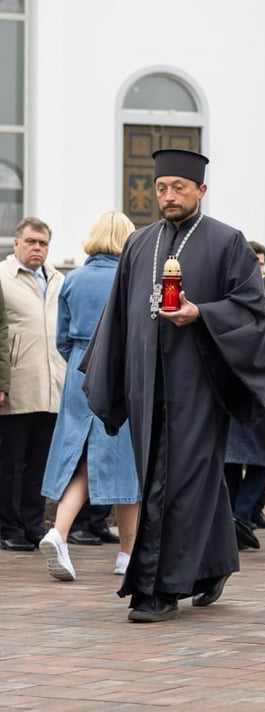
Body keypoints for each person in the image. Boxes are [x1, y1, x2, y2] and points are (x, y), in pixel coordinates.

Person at [83, 149, 265, 622]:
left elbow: (252, 309)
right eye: (162, 188)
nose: (169, 196)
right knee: (174, 476)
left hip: (199, 383)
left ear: (201, 190)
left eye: (179, 188)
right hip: (146, 384)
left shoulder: (228, 242)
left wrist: (201, 313)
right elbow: (118, 315)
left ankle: (158, 588)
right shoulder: (138, 243)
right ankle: (214, 564)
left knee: (177, 479)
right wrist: (110, 376)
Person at [38, 211, 140, 581]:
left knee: (81, 455)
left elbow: (62, 338)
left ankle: (59, 531)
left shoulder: (72, 279)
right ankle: (127, 554)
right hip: (119, 369)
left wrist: (80, 361)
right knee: (127, 461)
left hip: (79, 368)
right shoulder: (131, 278)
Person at [0, 217, 65, 552]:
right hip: (18, 382)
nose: (37, 248)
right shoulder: (2, 276)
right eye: (31, 242)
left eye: (43, 243)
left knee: (41, 462)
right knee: (10, 461)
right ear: (17, 243)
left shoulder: (56, 278)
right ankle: (8, 526)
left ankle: (32, 524)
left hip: (52, 385)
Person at [225, 240, 265, 551]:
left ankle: (239, 516)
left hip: (246, 384)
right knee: (249, 458)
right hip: (248, 383)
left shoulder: (242, 291)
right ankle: (239, 516)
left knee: (252, 458)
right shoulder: (254, 292)